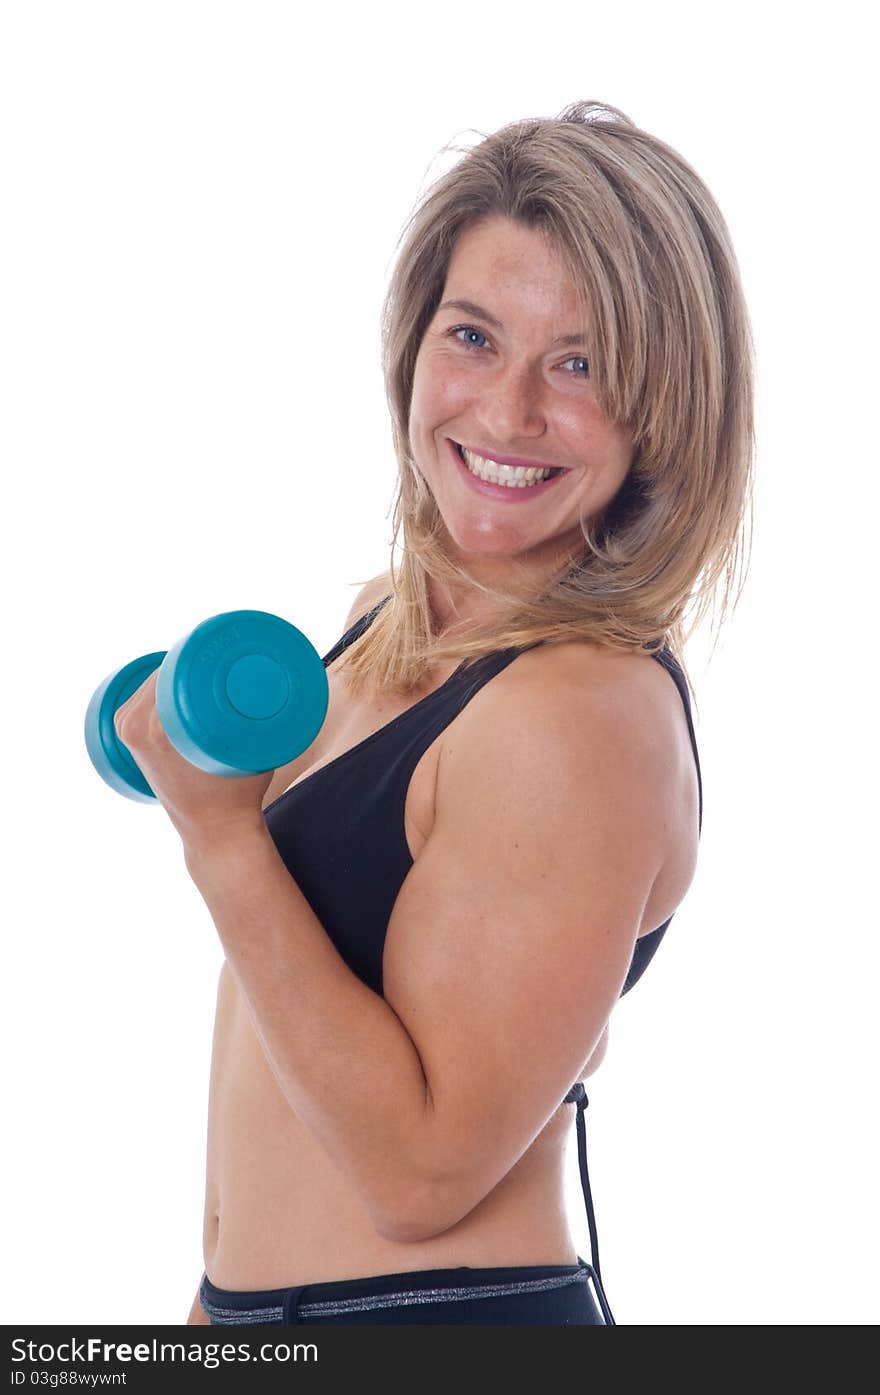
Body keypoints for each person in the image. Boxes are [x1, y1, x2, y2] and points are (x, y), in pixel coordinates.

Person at [115, 99, 753, 1325]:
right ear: (413, 345)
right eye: (474, 336)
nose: (507, 414)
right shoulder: (381, 625)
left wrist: (219, 833)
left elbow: (418, 1171)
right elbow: (280, 1045)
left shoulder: (581, 713)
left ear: (663, 408)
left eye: (579, 365)